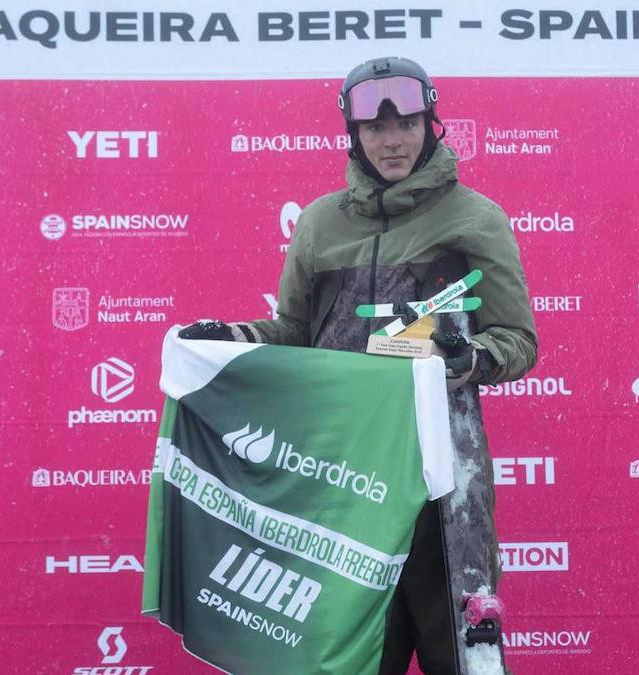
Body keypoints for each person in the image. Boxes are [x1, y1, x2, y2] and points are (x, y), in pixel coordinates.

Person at [180, 56, 538, 674]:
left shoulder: (475, 218)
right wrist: (232, 337)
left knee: (462, 656)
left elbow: (518, 340)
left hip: (440, 480)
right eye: (376, 128)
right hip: (342, 477)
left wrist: (469, 358)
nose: (392, 141)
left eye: (407, 124)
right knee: (351, 659)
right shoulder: (320, 223)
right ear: (355, 133)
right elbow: (295, 332)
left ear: (430, 124)